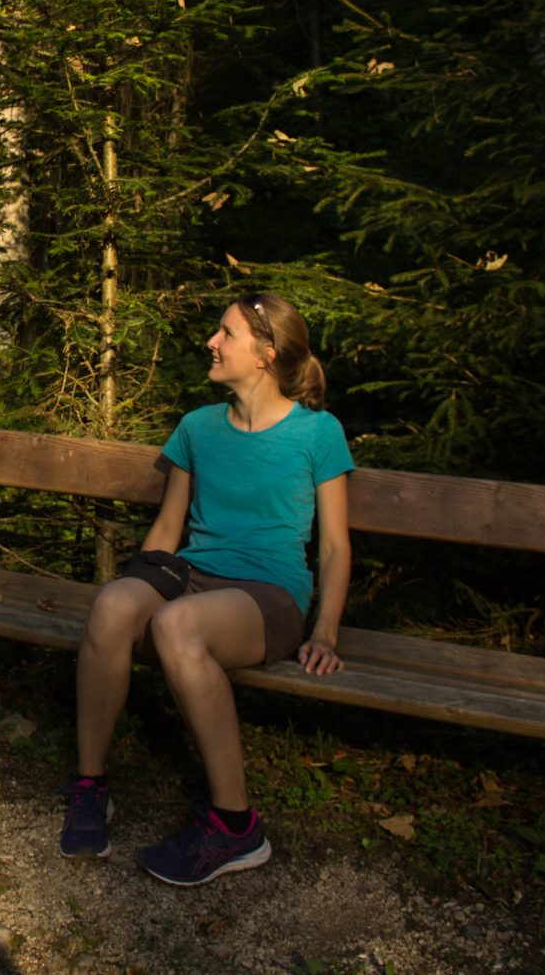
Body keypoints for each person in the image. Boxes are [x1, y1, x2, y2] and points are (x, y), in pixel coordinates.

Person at [59, 291, 353, 886]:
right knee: (112, 606)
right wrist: (136, 587)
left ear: (266, 354)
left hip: (268, 595)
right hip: (192, 574)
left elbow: (334, 546)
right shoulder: (198, 427)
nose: (212, 343)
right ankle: (91, 788)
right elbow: (168, 528)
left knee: (177, 624)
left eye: (226, 334)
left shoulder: (317, 433)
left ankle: (237, 828)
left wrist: (324, 630)